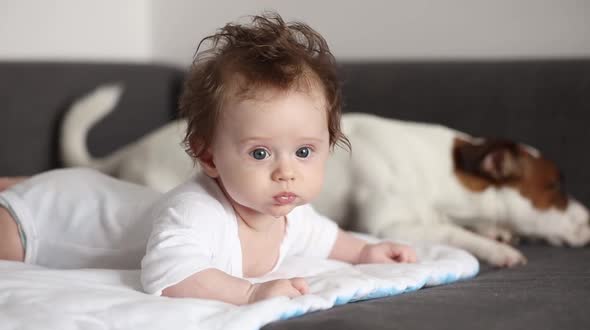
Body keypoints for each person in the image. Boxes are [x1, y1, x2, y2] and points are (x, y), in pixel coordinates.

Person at [0, 13, 416, 305]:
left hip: (94, 195)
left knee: (82, 193)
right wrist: (249, 292)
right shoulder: (195, 212)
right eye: (259, 153)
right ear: (207, 156)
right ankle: (20, 190)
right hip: (42, 221)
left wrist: (364, 253)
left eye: (304, 151)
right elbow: (168, 274)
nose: (286, 172)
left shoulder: (286, 213)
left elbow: (323, 237)